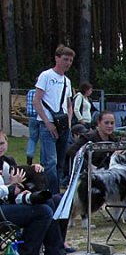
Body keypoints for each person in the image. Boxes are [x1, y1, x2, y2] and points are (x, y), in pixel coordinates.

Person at [1, 132, 79, 255]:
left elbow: (20, 182)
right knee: (43, 211)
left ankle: (54, 253)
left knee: (51, 200)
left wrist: (33, 171)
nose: (0, 147)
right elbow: (8, 189)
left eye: (2, 143)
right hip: (2, 208)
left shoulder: (8, 161)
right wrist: (12, 186)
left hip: (10, 202)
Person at [33, 44, 74, 196]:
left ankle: (55, 192)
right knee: (50, 162)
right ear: (57, 58)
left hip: (63, 124)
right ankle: (52, 193)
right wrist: (47, 123)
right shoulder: (46, 76)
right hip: (47, 123)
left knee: (60, 163)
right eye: (65, 59)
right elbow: (36, 101)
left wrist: (69, 122)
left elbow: (69, 104)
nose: (68, 63)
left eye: (70, 60)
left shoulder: (67, 81)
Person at [25, 88, 40, 165]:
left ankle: (29, 155)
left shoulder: (30, 92)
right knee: (44, 139)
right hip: (41, 117)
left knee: (32, 138)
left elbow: (27, 103)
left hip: (31, 117)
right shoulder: (43, 92)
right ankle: (43, 158)